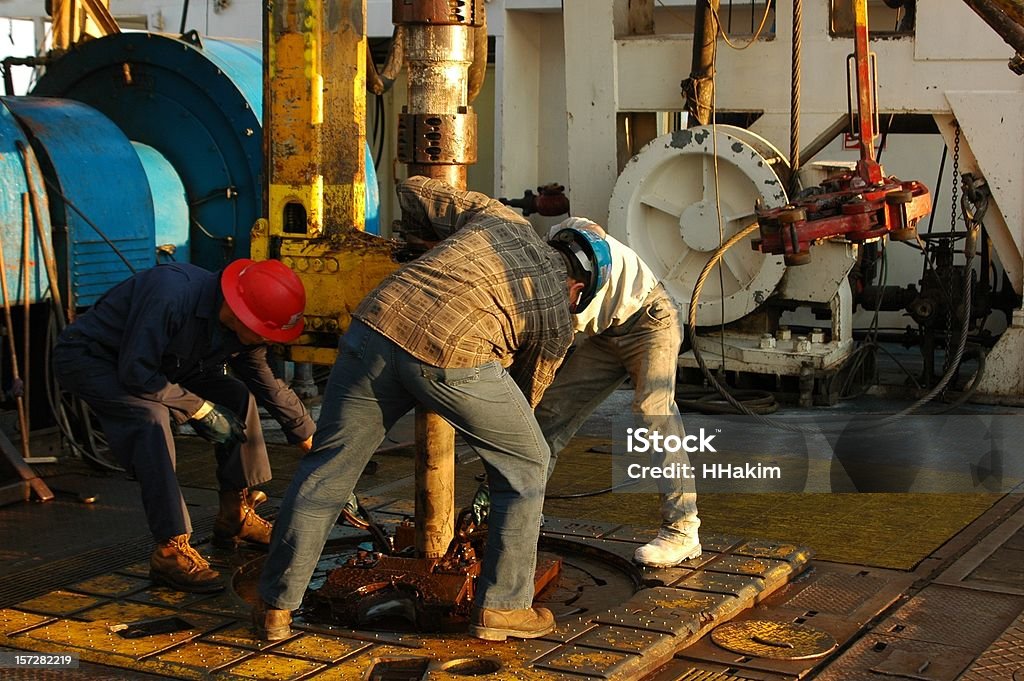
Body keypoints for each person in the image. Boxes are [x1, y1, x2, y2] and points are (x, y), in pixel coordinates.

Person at [255, 176, 607, 642]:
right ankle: (502, 608)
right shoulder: (558, 318)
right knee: (527, 464)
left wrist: (424, 241)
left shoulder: (502, 218)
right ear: (578, 287)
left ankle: (275, 607)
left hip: (376, 325)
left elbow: (415, 187)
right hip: (453, 353)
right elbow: (524, 404)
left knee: (328, 469)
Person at [53, 259, 315, 593]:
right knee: (150, 419)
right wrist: (199, 409)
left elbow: (265, 382)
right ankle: (169, 549)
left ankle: (235, 515)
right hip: (94, 360)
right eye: (266, 333)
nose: (271, 341)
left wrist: (309, 438)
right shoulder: (171, 295)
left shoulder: (241, 328)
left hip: (164, 365)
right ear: (239, 314)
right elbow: (137, 373)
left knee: (236, 395)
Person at [535, 217, 702, 568]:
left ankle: (683, 531)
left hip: (650, 321)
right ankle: (521, 515)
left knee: (653, 412)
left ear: (581, 283)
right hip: (605, 335)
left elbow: (541, 365)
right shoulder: (551, 255)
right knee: (549, 414)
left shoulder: (576, 276)